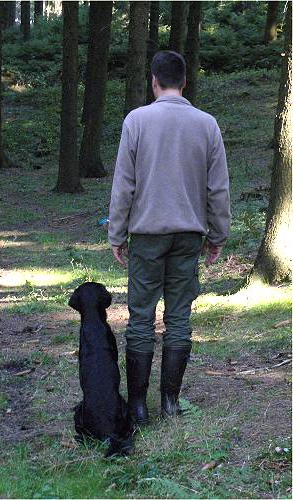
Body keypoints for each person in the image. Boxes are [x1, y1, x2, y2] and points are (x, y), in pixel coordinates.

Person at [108, 51, 231, 425]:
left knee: (141, 317)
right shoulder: (206, 124)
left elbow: (124, 185)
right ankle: (170, 403)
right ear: (184, 82)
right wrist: (218, 234)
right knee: (179, 317)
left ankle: (139, 406)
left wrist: (117, 232)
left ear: (154, 81)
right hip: (189, 234)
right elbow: (218, 188)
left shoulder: (137, 121)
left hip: (146, 234)